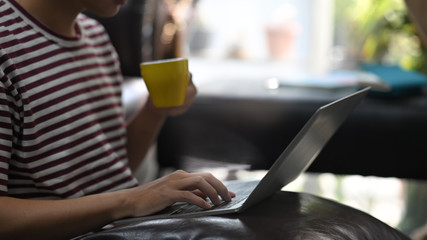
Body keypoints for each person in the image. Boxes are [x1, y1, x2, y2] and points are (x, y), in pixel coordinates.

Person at [0, 0, 234, 239]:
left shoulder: (95, 36)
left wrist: (154, 112)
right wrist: (131, 199)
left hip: (127, 228)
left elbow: (110, 171)